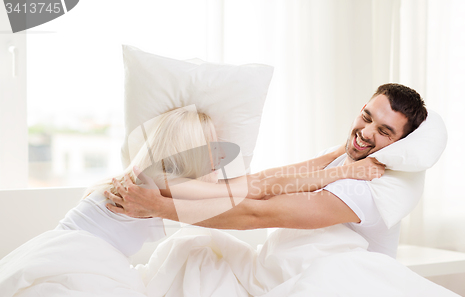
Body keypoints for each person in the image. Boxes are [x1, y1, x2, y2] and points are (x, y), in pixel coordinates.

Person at [105, 83, 428, 259]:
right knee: (191, 254)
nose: (366, 132)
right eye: (366, 117)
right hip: (286, 268)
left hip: (341, 286)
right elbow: (265, 183)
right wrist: (163, 188)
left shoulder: (366, 187)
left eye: (385, 132)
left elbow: (258, 214)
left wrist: (159, 207)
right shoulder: (339, 159)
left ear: (401, 144)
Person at [56, 106, 382, 257]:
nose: (218, 156)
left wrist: (338, 154)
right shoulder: (158, 181)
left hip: (71, 251)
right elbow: (253, 190)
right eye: (210, 146)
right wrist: (343, 171)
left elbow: (260, 182)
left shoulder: (152, 177)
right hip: (73, 257)